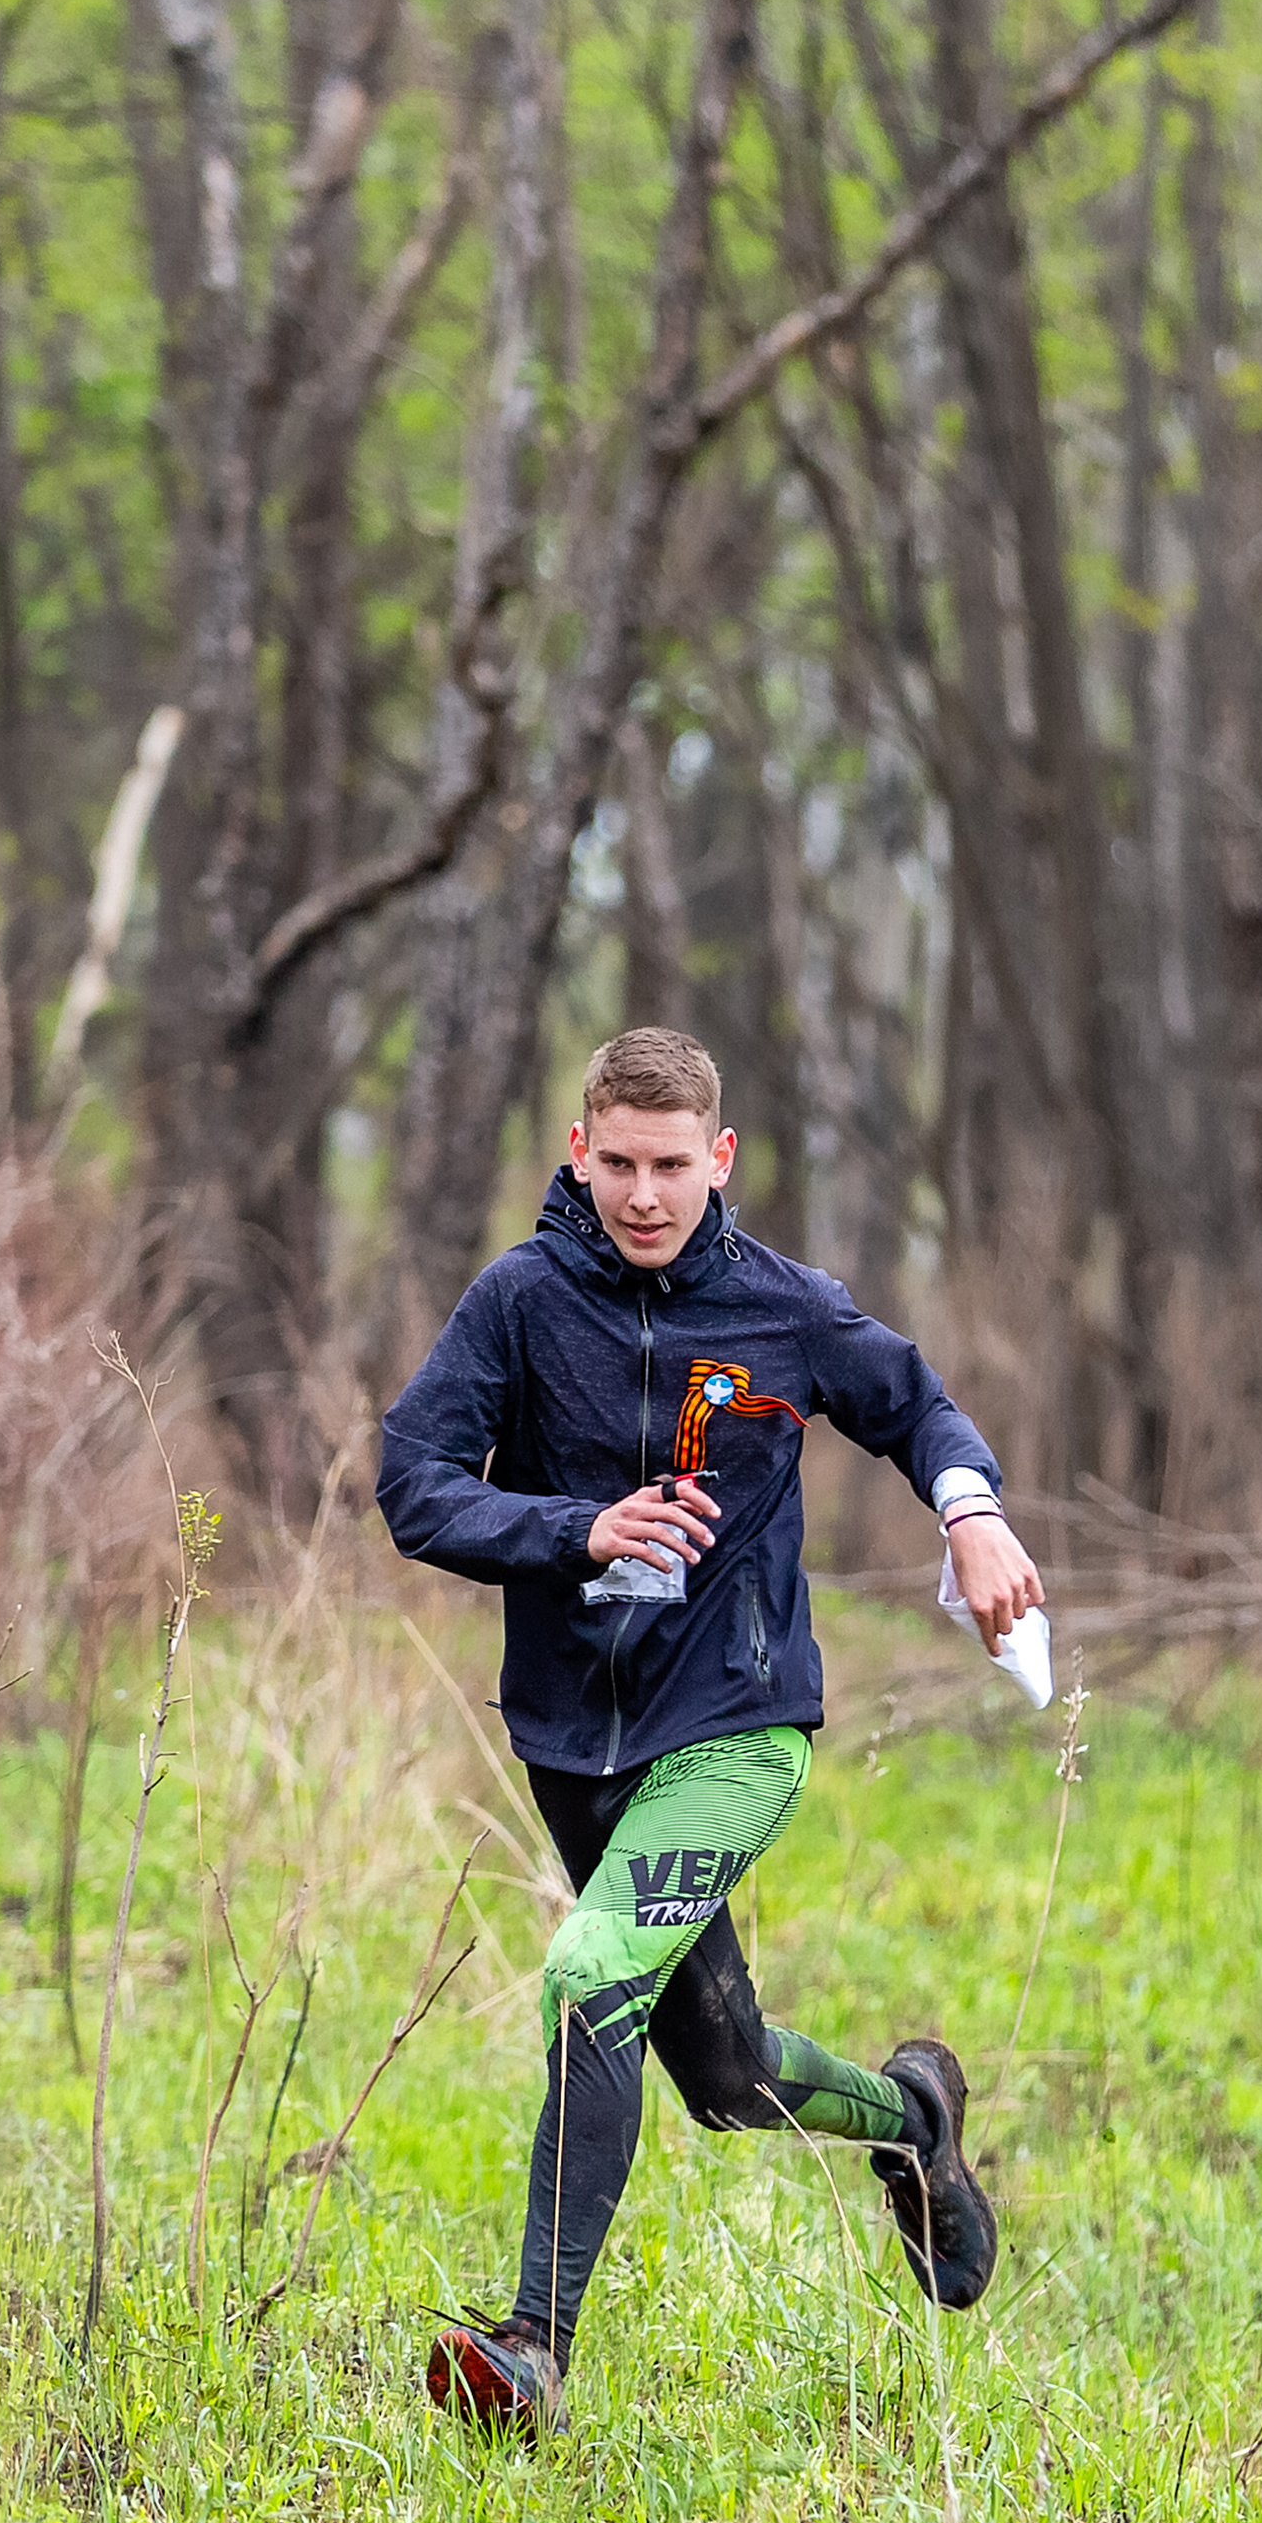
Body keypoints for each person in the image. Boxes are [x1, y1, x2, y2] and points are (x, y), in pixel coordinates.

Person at [376, 1024, 1046, 2437]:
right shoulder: (517, 1304)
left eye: (671, 1165)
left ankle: (532, 2349)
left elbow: (916, 1405)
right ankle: (915, 2122)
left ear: (718, 1160)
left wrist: (973, 1515)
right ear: (578, 1150)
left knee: (589, 1967)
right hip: (572, 1744)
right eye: (616, 1162)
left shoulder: (782, 1310)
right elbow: (412, 1481)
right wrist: (573, 1528)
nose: (642, 1194)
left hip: (738, 1727)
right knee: (725, 2077)